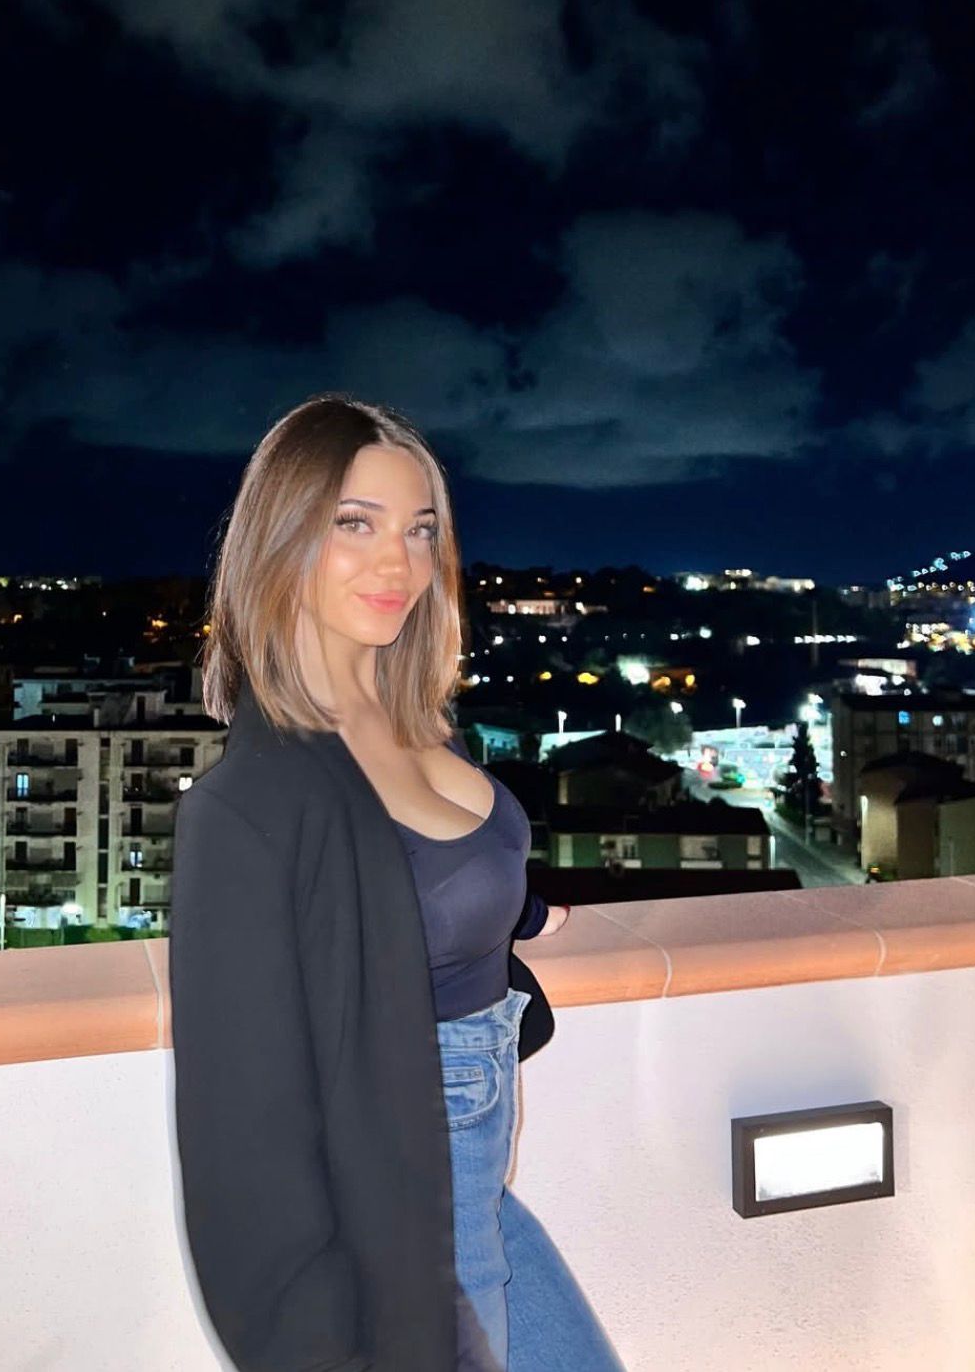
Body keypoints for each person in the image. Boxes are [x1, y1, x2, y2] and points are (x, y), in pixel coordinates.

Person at [169, 393, 627, 1372]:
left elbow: (417, 875)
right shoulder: (253, 805)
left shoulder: (403, 712)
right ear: (281, 536)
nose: (399, 561)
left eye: (420, 529)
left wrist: (520, 909)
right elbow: (243, 1160)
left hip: (475, 1187)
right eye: (355, 523)